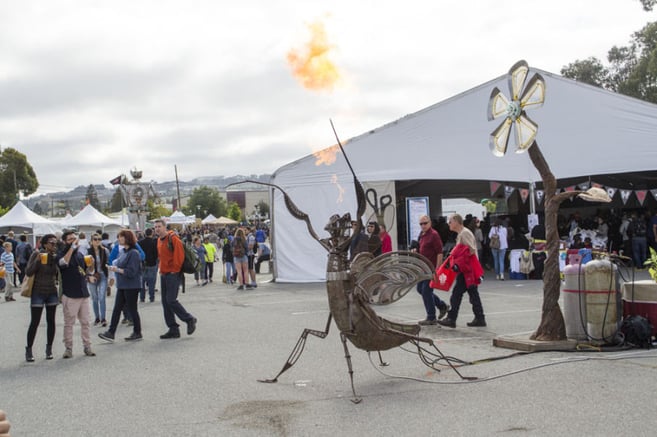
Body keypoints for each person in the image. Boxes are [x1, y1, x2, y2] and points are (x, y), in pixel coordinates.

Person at [438, 214, 486, 328]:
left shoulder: (465, 233)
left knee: (458, 294)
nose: (448, 224)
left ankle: (452, 318)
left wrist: (458, 262)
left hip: (468, 269)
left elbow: (471, 250)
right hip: (466, 269)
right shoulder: (461, 233)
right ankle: (479, 318)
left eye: (450, 222)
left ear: (456, 222)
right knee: (471, 294)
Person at [153, 219, 197, 339]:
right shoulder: (158, 240)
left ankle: (189, 319)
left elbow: (179, 255)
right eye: (155, 227)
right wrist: (161, 270)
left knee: (171, 300)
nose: (157, 229)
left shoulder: (173, 238)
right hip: (164, 273)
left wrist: (175, 270)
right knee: (165, 302)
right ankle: (173, 329)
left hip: (173, 274)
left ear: (164, 227)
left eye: (159, 226)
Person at [99, 229, 144, 342]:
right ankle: (111, 332)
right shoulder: (124, 251)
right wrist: (113, 267)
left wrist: (117, 269)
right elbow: (117, 262)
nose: (118, 239)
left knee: (132, 309)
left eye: (121, 237)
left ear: (127, 238)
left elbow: (131, 272)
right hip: (123, 284)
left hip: (132, 285)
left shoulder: (133, 253)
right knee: (117, 309)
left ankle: (137, 332)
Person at [57, 230, 95, 358]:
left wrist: (91, 266)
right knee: (69, 323)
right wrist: (71, 249)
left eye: (75, 239)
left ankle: (87, 346)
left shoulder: (80, 255)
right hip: (70, 293)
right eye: (70, 240)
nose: (74, 242)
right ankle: (68, 348)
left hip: (83, 292)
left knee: (86, 322)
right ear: (64, 241)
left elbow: (86, 271)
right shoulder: (61, 254)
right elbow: (63, 263)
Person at [24, 234, 59, 362]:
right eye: (51, 243)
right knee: (35, 322)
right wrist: (38, 261)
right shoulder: (36, 254)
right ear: (44, 244)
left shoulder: (56, 257)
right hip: (38, 291)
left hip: (51, 291)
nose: (54, 245)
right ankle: (29, 349)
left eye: (56, 243)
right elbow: (28, 272)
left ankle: (49, 349)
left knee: (51, 321)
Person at [414, 215, 449, 325]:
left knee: (426, 291)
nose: (423, 226)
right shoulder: (422, 235)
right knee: (420, 289)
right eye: (421, 224)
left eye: (425, 223)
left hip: (431, 268)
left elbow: (439, 252)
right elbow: (421, 249)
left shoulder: (434, 235)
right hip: (423, 268)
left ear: (430, 223)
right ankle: (441, 305)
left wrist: (437, 270)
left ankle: (431, 317)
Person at [86, 234, 110, 327]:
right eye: (95, 239)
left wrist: (111, 276)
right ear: (91, 241)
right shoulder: (88, 252)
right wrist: (88, 275)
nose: (97, 241)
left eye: (99, 239)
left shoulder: (105, 250)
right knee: (95, 298)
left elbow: (108, 262)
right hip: (92, 276)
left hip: (103, 275)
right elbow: (83, 266)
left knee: (101, 297)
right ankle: (97, 317)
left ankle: (103, 318)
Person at [138, 228, 158, 303]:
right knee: (152, 282)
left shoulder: (140, 242)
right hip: (152, 264)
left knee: (142, 282)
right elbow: (156, 253)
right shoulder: (154, 242)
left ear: (145, 234)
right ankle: (151, 297)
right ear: (151, 233)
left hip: (142, 264)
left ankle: (142, 297)